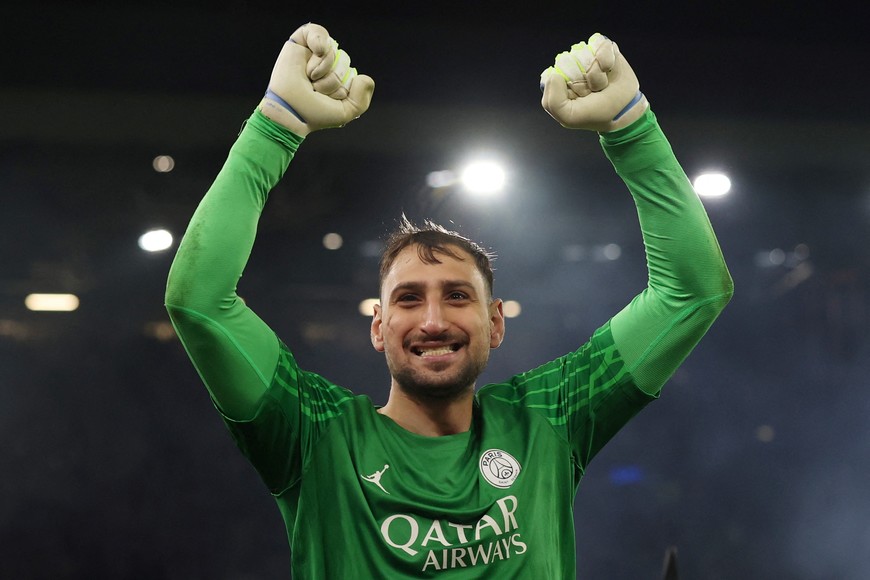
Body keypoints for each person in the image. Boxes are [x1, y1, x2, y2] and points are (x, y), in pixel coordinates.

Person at [165, 22, 733, 578]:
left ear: (495, 322)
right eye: (408, 299)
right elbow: (199, 301)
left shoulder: (548, 420)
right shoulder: (314, 435)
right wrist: (274, 127)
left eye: (457, 296)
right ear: (378, 327)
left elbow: (693, 293)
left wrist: (633, 129)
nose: (433, 320)